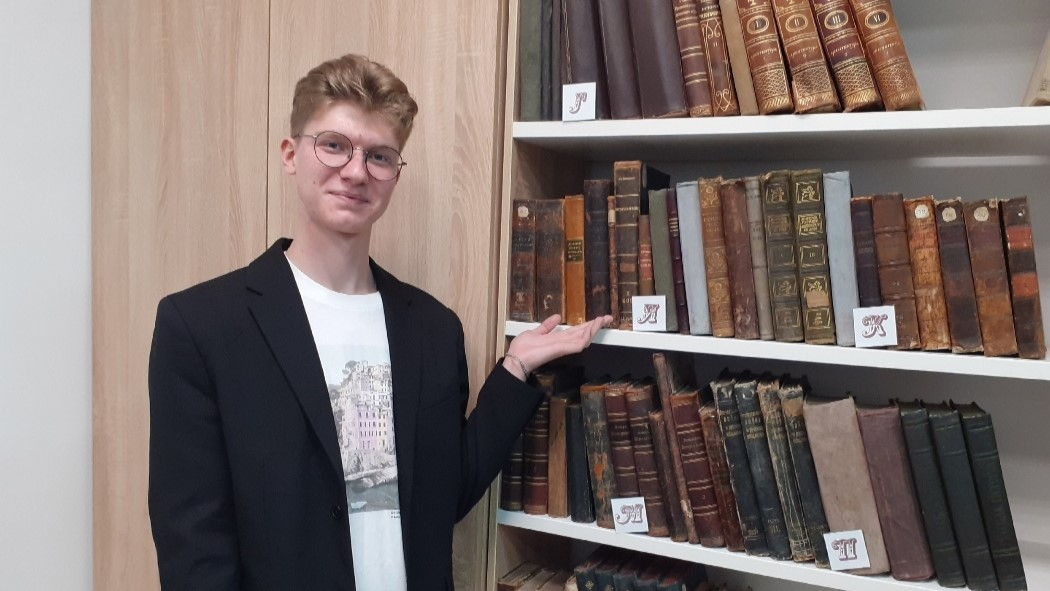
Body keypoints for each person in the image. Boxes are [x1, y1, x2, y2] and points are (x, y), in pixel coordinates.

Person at [147, 53, 611, 591]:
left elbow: (442, 496)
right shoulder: (201, 327)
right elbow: (193, 545)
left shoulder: (434, 329)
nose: (355, 171)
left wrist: (515, 369)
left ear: (394, 174)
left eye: (379, 156)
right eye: (334, 145)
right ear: (291, 154)